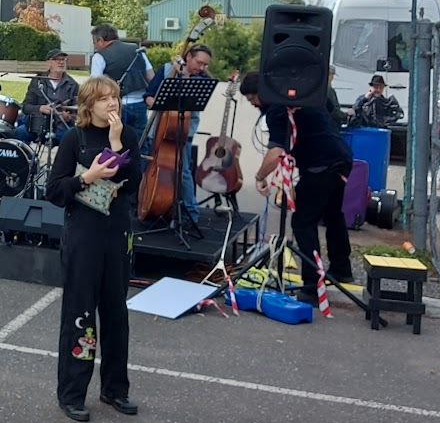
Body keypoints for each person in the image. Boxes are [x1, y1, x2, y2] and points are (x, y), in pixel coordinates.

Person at [45, 75, 143, 423]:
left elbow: (134, 185)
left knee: (116, 313)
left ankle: (115, 388)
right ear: (88, 104)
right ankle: (72, 393)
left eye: (114, 97)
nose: (111, 103)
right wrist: (88, 176)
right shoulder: (75, 138)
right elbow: (54, 191)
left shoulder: (128, 136)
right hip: (83, 235)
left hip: (116, 233)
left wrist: (116, 144)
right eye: (103, 98)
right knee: (80, 314)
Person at [241, 69, 355, 292]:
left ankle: (312, 284)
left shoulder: (277, 110)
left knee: (303, 223)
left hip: (320, 165)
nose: (253, 104)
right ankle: (342, 269)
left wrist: (260, 177)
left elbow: (276, 151)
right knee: (333, 216)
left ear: (263, 92)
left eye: (252, 98)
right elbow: (328, 108)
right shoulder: (302, 97)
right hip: (340, 158)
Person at [142, 44, 213, 224]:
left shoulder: (203, 79)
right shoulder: (167, 69)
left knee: (183, 172)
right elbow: (149, 95)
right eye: (199, 62)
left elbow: (190, 100)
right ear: (188, 57)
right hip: (159, 128)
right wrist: (157, 103)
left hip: (183, 131)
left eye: (205, 64)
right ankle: (153, 205)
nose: (202, 67)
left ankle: (191, 214)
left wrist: (184, 75)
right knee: (154, 168)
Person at [88, 24, 154, 140]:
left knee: (116, 141)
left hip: (116, 105)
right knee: (139, 143)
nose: (95, 47)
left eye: (94, 43)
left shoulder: (99, 56)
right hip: (140, 103)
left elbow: (96, 85)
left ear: (101, 40)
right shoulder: (136, 49)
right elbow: (151, 76)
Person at [19, 49, 78, 142]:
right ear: (49, 62)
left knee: (73, 137)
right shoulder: (37, 81)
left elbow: (78, 112)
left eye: (63, 59)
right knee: (20, 132)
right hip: (37, 125)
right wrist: (40, 108)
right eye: (57, 59)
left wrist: (68, 117)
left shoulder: (73, 85)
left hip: (61, 127)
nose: (61, 62)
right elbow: (25, 107)